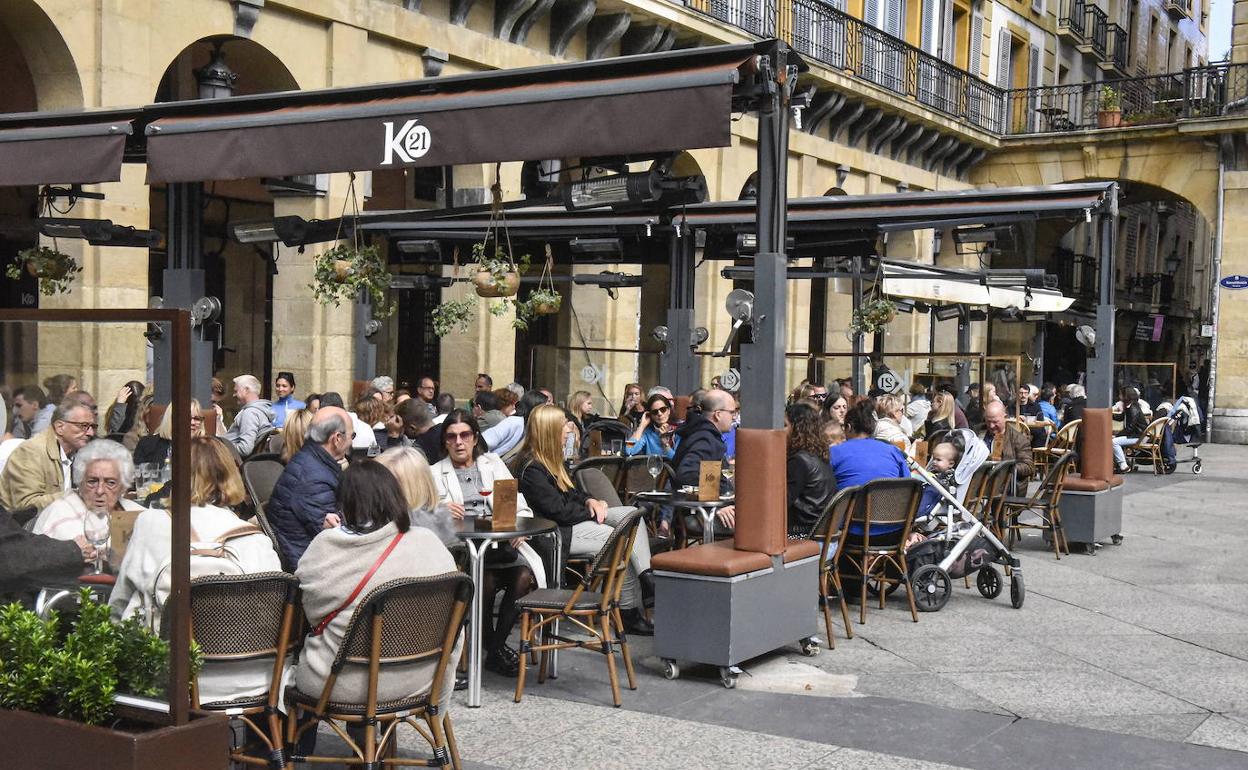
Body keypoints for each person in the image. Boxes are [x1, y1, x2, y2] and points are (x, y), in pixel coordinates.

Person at [294, 460, 461, 710]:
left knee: (292, 664)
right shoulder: (430, 543)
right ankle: (369, 743)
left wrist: (332, 534)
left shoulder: (327, 545)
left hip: (344, 683)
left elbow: (312, 613)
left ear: (345, 502)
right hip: (422, 679)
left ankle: (299, 747)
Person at [110, 436, 280, 640]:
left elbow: (121, 598)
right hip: (243, 664)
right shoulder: (255, 539)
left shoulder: (149, 522)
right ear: (231, 475)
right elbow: (274, 613)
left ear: (177, 476)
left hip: (163, 660)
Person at [516, 404, 654, 635]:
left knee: (631, 516)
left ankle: (647, 579)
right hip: (556, 535)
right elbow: (557, 511)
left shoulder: (550, 461)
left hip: (572, 523)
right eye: (564, 427)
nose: (569, 432)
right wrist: (591, 510)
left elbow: (572, 493)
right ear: (550, 431)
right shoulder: (532, 469)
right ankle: (628, 612)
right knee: (621, 539)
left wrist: (590, 500)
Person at [266, 406, 353, 567]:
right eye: (351, 435)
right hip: (308, 569)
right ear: (337, 438)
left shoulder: (310, 459)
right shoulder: (314, 479)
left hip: (309, 556)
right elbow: (333, 539)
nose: (352, 441)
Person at [31, 438, 145, 542]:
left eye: (110, 483)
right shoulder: (59, 515)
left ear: (123, 487)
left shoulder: (136, 512)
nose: (100, 491)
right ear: (80, 482)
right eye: (92, 481)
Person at [0, 399, 97, 513]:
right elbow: (25, 505)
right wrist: (75, 497)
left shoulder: (80, 453)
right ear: (60, 427)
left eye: (93, 427)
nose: (90, 433)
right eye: (84, 425)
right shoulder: (31, 452)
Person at [671, 389, 737, 530]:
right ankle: (795, 538)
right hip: (702, 514)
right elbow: (687, 474)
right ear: (718, 415)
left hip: (704, 509)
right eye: (732, 412)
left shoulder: (701, 432)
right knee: (761, 525)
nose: (734, 417)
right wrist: (714, 502)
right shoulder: (705, 438)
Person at [829, 401, 909, 489]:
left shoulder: (834, 452)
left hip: (850, 502)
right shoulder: (893, 451)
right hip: (889, 501)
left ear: (849, 427)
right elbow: (907, 485)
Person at [785, 402, 835, 537]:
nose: (780, 430)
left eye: (785, 425)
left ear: (797, 429)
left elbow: (781, 503)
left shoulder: (799, 461)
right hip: (824, 534)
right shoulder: (819, 456)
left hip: (802, 534)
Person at [133, 399, 208, 465]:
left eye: (197, 418)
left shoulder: (209, 447)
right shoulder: (148, 444)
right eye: (187, 417)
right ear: (172, 419)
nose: (192, 422)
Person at [225, 375, 275, 457]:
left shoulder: (250, 413)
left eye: (236, 391)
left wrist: (220, 448)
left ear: (246, 390)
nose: (234, 395)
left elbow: (245, 449)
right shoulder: (260, 411)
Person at [983, 401, 1033, 480]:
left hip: (1005, 486)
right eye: (988, 421)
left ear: (1005, 417)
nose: (991, 426)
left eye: (995, 422)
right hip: (980, 483)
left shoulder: (1018, 439)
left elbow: (1028, 467)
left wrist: (1005, 468)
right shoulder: (979, 433)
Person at [916, 440, 961, 521]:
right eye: (933, 458)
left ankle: (914, 513)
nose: (934, 462)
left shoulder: (949, 475)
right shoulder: (935, 471)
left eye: (938, 460)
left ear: (951, 464)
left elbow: (946, 488)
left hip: (934, 501)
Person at [625, 393, 678, 459]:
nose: (659, 414)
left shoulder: (678, 431)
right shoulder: (647, 433)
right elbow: (628, 450)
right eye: (655, 412)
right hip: (652, 468)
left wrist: (665, 444)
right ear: (651, 415)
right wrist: (641, 426)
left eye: (663, 409)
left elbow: (678, 460)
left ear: (669, 411)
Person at [1114, 387, 1150, 473]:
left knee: (1113, 442)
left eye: (1120, 394)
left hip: (1138, 437)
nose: (1119, 396)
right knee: (1114, 440)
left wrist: (1117, 435)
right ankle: (1122, 464)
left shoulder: (1133, 408)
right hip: (1137, 435)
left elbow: (1130, 428)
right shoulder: (1130, 406)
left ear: (1125, 396)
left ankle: (1123, 466)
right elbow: (1122, 417)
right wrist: (1110, 415)